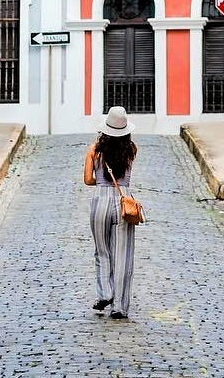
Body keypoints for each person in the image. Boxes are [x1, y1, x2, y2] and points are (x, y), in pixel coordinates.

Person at [83, 106, 137, 319]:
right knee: (122, 255)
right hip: (124, 200)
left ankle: (105, 292)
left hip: (100, 200)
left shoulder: (94, 150)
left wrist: (101, 181)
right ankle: (120, 307)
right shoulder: (132, 149)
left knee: (102, 250)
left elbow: (88, 179)